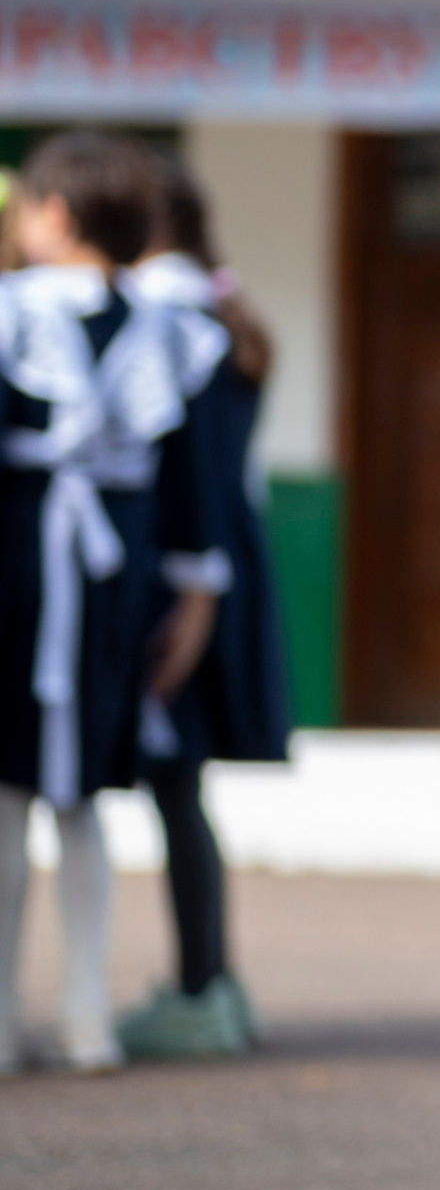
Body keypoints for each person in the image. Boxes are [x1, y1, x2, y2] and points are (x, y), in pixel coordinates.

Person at [0, 132, 230, 1076]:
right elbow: (200, 490)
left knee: (25, 794)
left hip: (31, 569)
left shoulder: (23, 314)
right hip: (110, 581)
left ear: (54, 215)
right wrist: (195, 600)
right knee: (75, 800)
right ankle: (82, 1014)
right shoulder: (168, 328)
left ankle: (40, 1015)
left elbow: (190, 478)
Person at [113, 159, 293, 1063]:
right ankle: (210, 979)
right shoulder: (220, 313)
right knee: (181, 786)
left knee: (175, 779)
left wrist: (186, 604)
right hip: (222, 569)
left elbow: (188, 481)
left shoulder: (162, 321)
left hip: (184, 576)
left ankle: (200, 987)